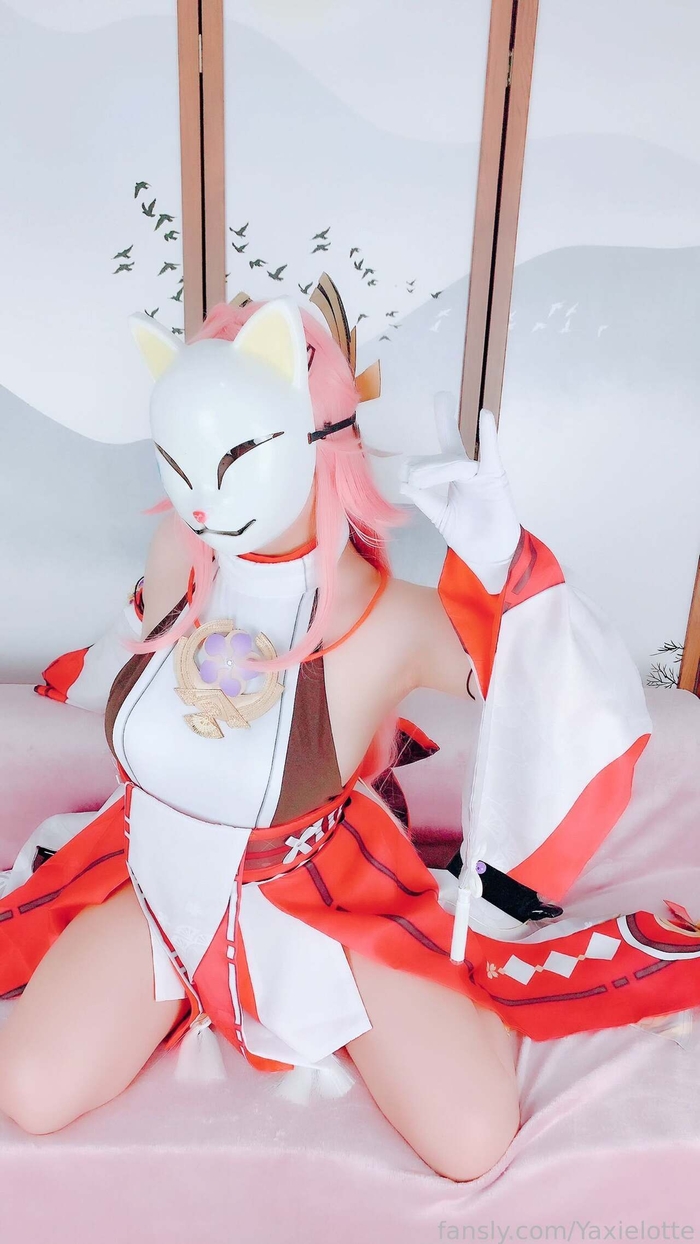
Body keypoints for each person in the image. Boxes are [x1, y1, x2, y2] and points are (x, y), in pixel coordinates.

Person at [0, 282, 698, 1184]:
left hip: (317, 898)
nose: (201, 501)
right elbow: (121, 664)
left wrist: (507, 565)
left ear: (314, 439)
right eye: (178, 462)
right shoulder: (178, 556)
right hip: (150, 874)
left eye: (233, 458)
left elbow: (558, 698)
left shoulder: (391, 618)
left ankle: (448, 1004)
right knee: (32, 1089)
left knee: (471, 1138)